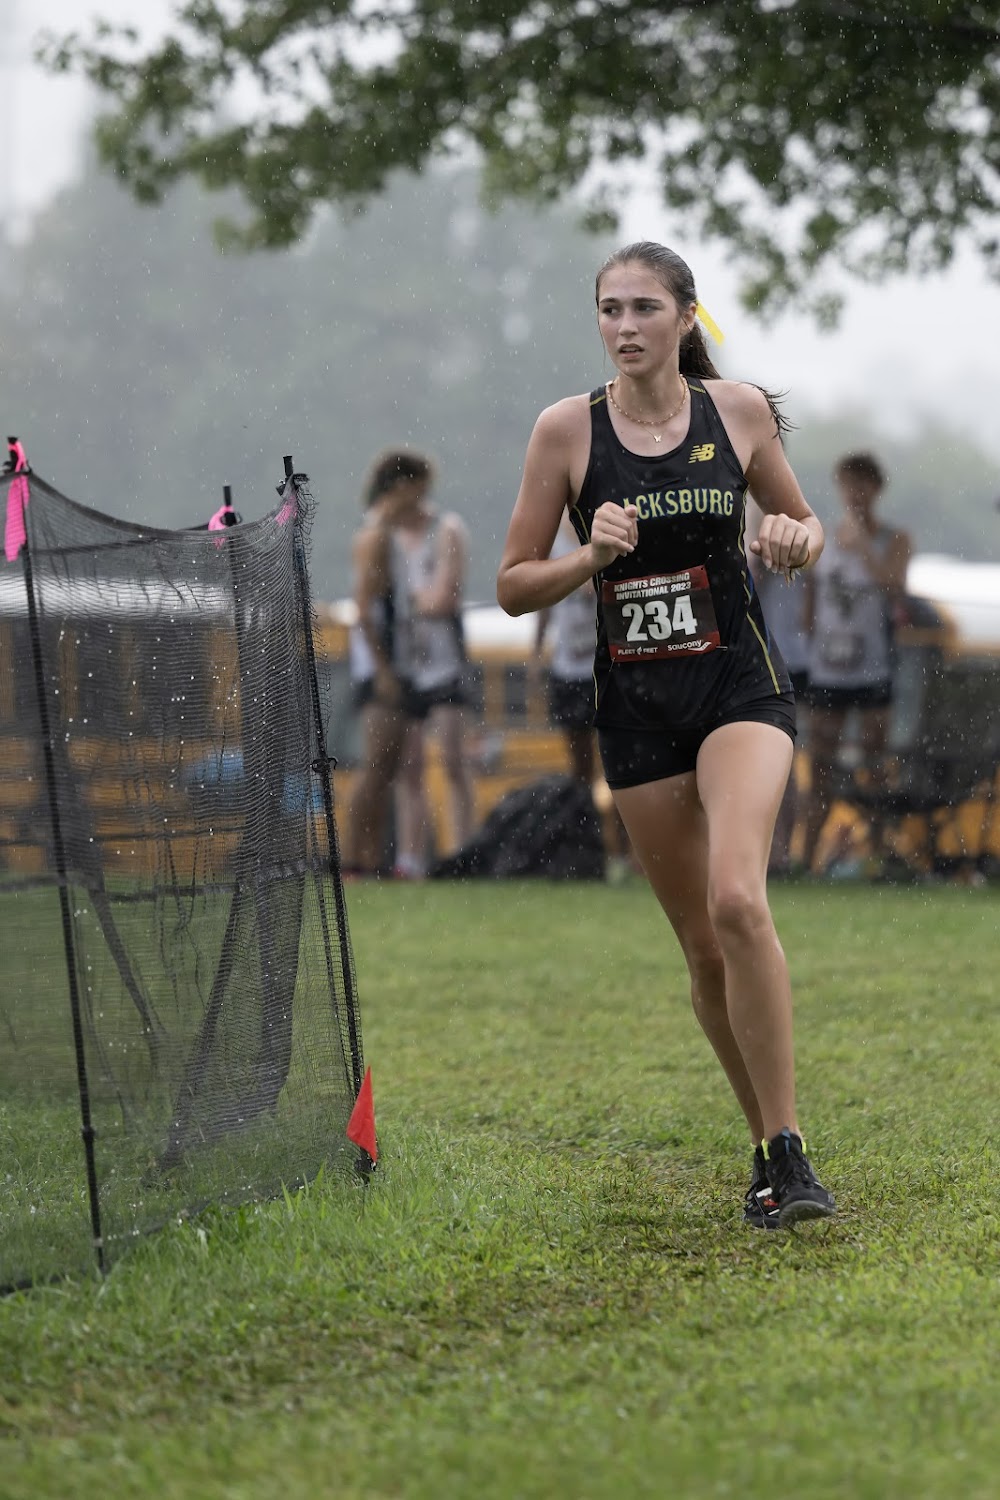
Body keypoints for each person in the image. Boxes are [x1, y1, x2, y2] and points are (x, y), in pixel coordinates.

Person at [497, 239, 835, 1229]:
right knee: (702, 950)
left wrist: (792, 538)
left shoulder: (737, 413)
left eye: (645, 307)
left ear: (687, 318)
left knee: (737, 900)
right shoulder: (566, 431)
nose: (625, 326)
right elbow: (513, 584)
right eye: (610, 309)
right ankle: (764, 1150)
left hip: (738, 688)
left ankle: (790, 1147)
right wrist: (586, 559)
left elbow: (804, 525)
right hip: (637, 711)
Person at [345, 450, 473, 876]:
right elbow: (365, 610)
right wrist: (383, 669)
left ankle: (370, 860)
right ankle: (354, 860)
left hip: (400, 665)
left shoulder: (393, 532)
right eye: (418, 491)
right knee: (377, 768)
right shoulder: (376, 536)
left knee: (387, 769)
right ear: (401, 487)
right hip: (382, 669)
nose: (422, 501)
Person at [799, 452, 912, 875]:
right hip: (829, 670)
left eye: (862, 484)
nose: (854, 493)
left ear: (877, 488)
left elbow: (893, 585)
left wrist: (863, 543)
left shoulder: (894, 539)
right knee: (821, 765)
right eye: (847, 484)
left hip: (873, 669)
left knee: (875, 765)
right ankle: (807, 858)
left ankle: (878, 854)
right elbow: (808, 610)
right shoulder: (825, 538)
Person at [533, 512, 634, 881]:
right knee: (580, 768)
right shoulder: (555, 543)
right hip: (568, 668)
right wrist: (536, 650)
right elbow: (544, 601)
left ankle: (629, 852)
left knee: (622, 763)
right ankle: (586, 851)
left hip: (607, 665)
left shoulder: (607, 533)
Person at [746, 501, 812, 876]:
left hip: (782, 659)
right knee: (771, 761)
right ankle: (772, 849)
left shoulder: (789, 527)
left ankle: (780, 849)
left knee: (781, 760)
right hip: (761, 655)